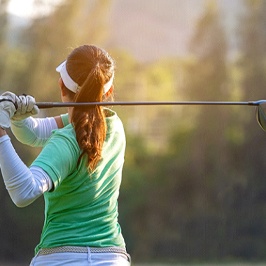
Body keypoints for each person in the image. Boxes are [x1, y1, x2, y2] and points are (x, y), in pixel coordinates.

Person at [0, 44, 131, 265]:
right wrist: (19, 119)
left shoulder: (66, 140)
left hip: (61, 259)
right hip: (112, 259)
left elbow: (23, 191)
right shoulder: (115, 127)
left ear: (62, 86)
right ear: (108, 91)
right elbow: (35, 133)